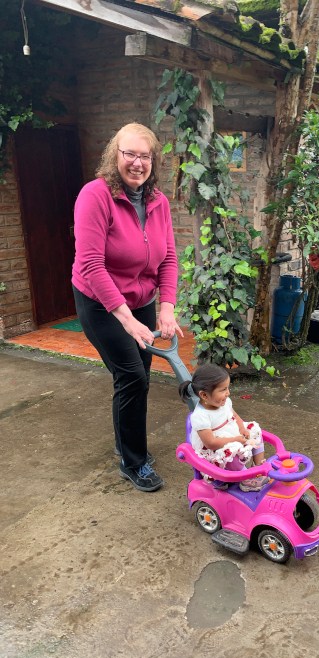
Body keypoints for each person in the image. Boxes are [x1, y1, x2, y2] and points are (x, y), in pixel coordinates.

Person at [72, 123, 182, 492]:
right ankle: (133, 463)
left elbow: (168, 258)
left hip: (143, 300)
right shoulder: (95, 195)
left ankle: (126, 441)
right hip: (100, 302)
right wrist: (126, 319)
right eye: (129, 154)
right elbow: (91, 264)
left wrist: (166, 305)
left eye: (144, 156)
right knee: (132, 376)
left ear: (153, 160)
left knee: (141, 376)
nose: (137, 163)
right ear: (114, 156)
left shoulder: (158, 202)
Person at [179, 364, 270, 492]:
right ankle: (246, 479)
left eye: (227, 388)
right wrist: (235, 440)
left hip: (231, 432)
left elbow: (234, 415)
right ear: (204, 395)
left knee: (255, 430)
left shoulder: (224, 402)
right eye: (223, 390)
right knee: (231, 452)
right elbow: (210, 443)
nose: (228, 393)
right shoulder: (200, 416)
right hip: (217, 445)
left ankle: (259, 467)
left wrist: (242, 429)